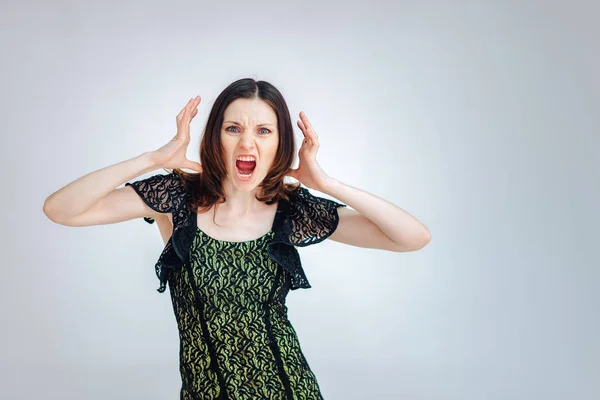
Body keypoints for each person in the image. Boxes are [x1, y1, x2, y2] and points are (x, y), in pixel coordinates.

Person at [43, 78, 431, 399]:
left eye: (263, 131)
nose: (248, 144)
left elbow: (412, 238)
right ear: (216, 139)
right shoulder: (177, 199)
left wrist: (328, 183)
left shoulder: (291, 211)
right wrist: (153, 159)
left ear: (280, 144)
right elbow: (61, 209)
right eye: (234, 129)